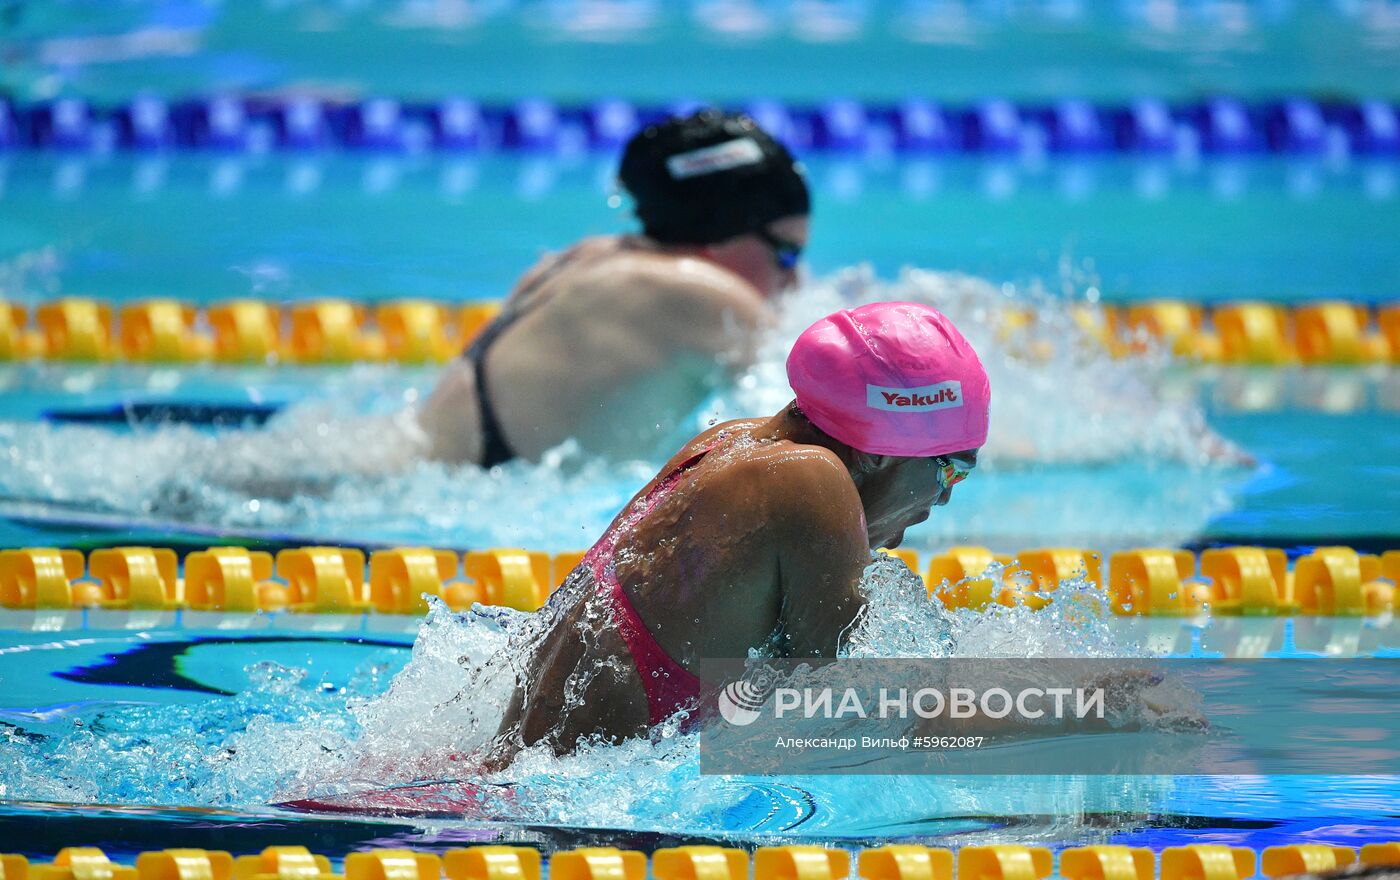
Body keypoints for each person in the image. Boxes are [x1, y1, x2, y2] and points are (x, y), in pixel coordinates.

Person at [487, 301, 989, 762]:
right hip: (565, 832)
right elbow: (846, 721)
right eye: (951, 470)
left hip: (500, 799)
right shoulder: (810, 480)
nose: (943, 496)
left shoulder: (726, 444)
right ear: (880, 450)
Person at [418, 109, 811, 465]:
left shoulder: (587, 257)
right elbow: (803, 434)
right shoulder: (711, 298)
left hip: (417, 461)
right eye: (787, 254)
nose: (793, 278)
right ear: (723, 237)